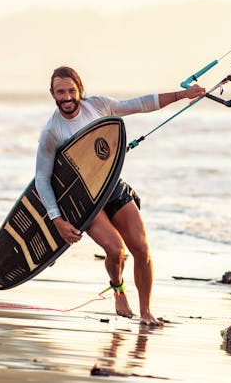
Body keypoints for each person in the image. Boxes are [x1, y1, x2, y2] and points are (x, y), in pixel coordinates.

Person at [35, 66, 205, 325]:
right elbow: (42, 179)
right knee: (116, 250)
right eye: (61, 92)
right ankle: (118, 289)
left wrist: (182, 95)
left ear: (80, 89)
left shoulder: (99, 106)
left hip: (112, 186)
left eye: (71, 90)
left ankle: (146, 312)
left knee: (142, 249)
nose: (67, 97)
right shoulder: (51, 132)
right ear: (52, 94)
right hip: (85, 200)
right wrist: (57, 220)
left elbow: (140, 104)